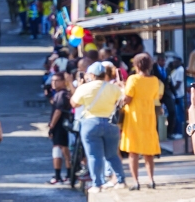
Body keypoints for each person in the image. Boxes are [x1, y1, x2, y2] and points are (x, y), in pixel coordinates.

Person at [70, 62, 125, 192]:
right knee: (112, 155)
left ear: (92, 75)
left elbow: (74, 104)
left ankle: (97, 184)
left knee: (94, 156)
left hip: (90, 123)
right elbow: (121, 102)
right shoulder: (113, 88)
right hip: (111, 123)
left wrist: (80, 86)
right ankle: (121, 181)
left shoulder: (84, 88)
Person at [120, 53, 164, 190]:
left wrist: (122, 89)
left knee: (133, 151)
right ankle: (151, 179)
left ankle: (136, 181)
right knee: (148, 151)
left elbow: (128, 99)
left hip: (134, 116)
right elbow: (156, 96)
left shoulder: (133, 79)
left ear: (136, 65)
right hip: (149, 117)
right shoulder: (155, 80)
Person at [46, 72, 72, 184]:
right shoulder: (63, 94)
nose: (54, 83)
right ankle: (68, 175)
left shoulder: (61, 94)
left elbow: (58, 111)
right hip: (65, 125)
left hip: (60, 125)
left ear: (63, 82)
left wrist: (52, 126)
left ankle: (58, 176)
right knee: (65, 150)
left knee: (59, 149)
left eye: (57, 81)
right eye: (52, 81)